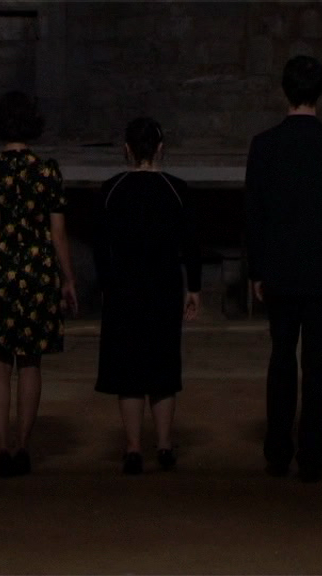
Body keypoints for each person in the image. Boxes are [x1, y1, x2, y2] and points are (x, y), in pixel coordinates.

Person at [245, 55, 322, 483]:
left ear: (285, 91)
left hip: (280, 270)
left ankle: (278, 451)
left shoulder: (264, 145)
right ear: (321, 92)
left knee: (281, 360)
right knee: (319, 366)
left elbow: (254, 215)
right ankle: (312, 456)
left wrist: (257, 271)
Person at [0, 91, 78, 478]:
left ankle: (2, 448)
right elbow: (58, 234)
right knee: (30, 362)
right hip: (37, 275)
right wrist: (68, 279)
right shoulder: (46, 173)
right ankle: (23, 446)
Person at [94, 117, 201, 475]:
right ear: (160, 148)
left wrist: (106, 287)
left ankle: (134, 447)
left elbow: (100, 247)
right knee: (163, 364)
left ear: (126, 150)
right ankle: (165, 444)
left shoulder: (111, 189)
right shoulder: (176, 190)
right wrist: (194, 288)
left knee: (128, 368)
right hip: (163, 287)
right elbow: (191, 245)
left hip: (123, 287)